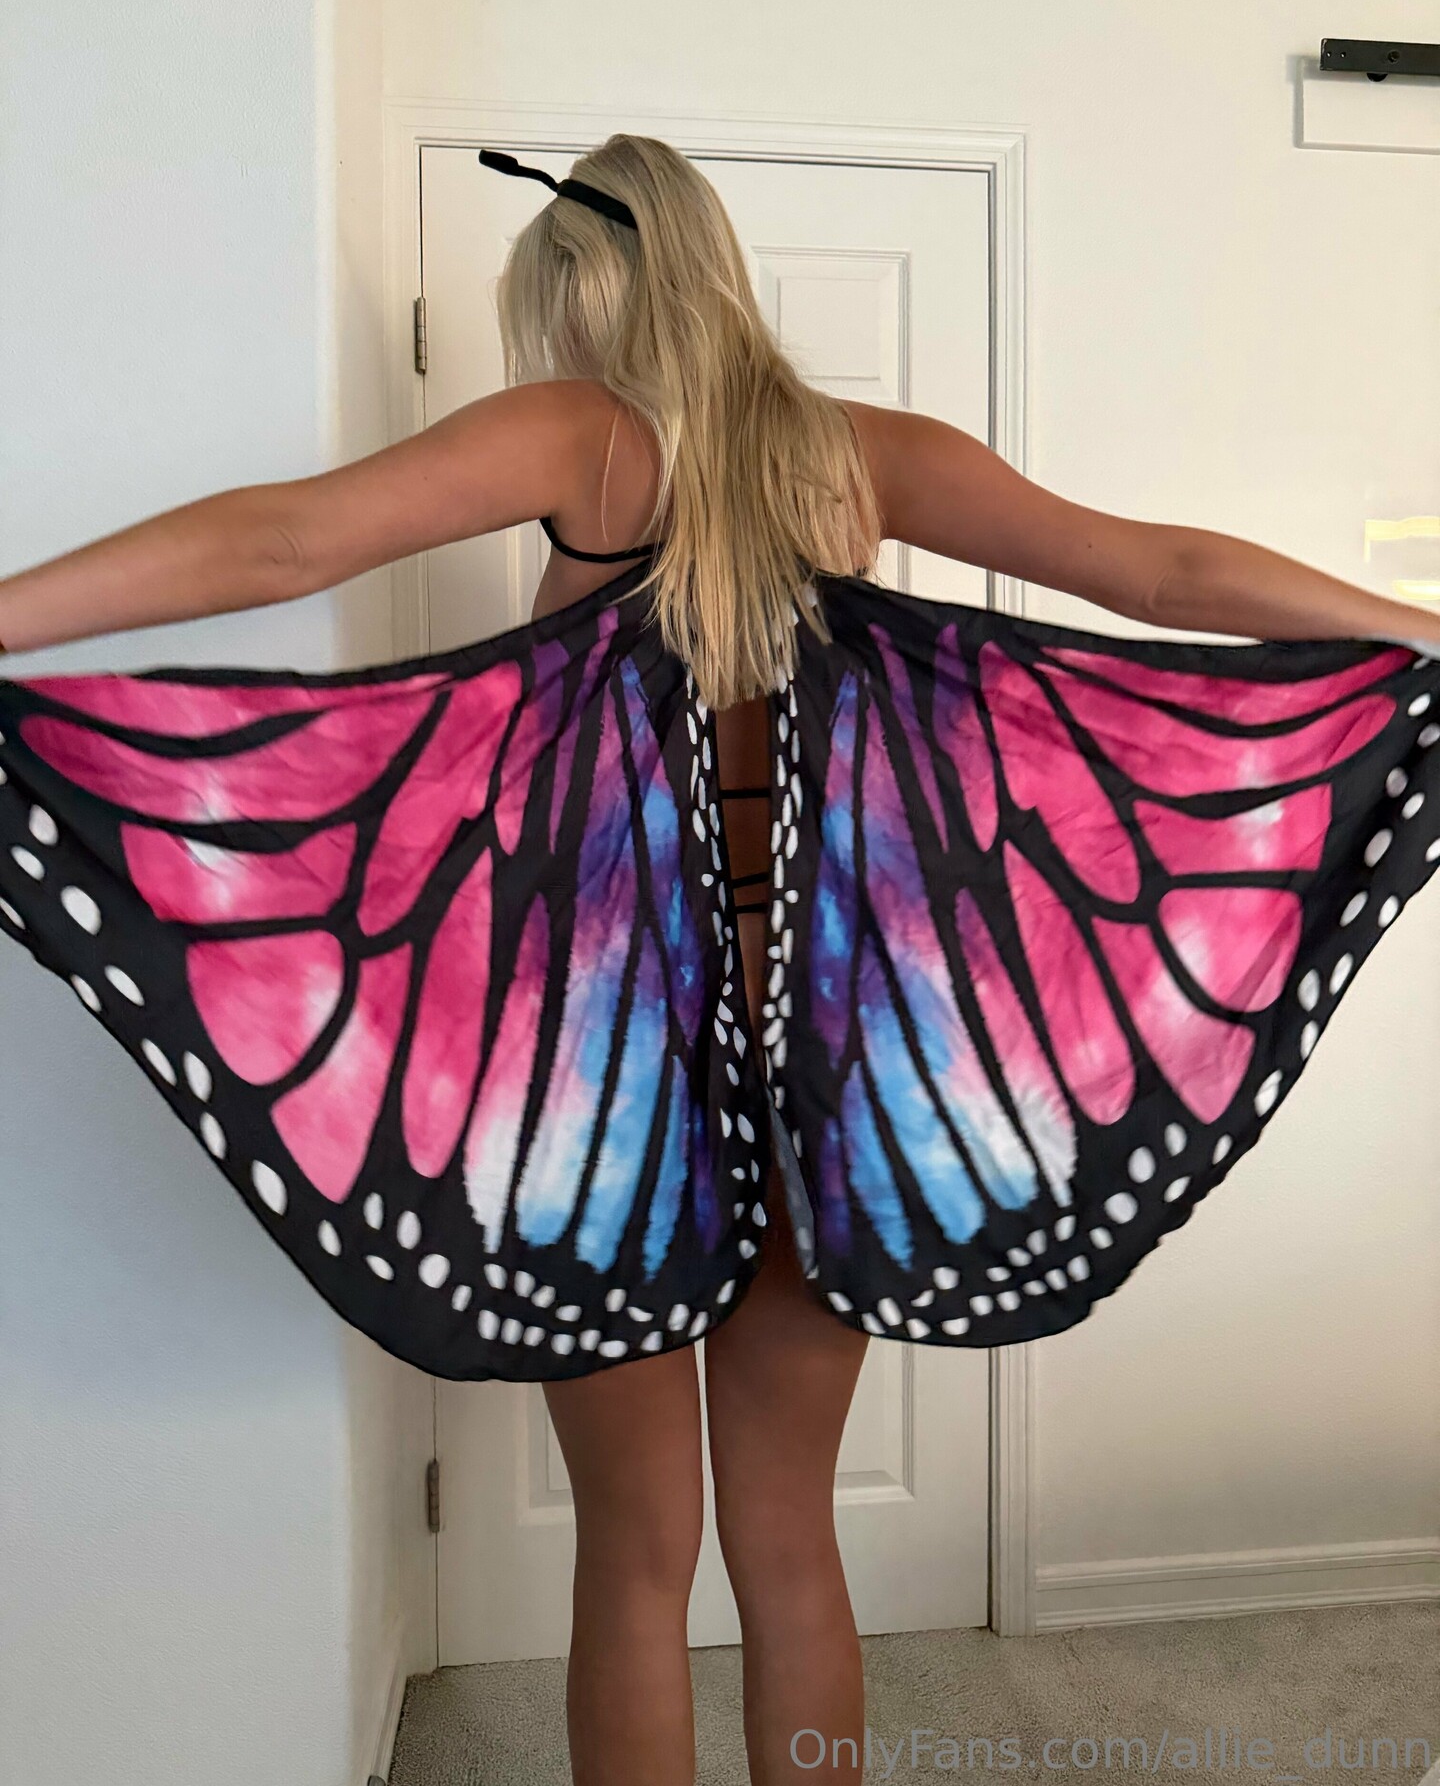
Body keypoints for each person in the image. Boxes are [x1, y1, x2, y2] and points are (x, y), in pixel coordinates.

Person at [1, 133, 1437, 1786]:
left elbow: (285, 544)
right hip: (838, 1065)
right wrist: (1428, 636)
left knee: (634, 1555)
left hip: (604, 1092)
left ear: (585, 296)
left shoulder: (582, 436)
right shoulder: (865, 457)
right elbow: (1165, 574)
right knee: (790, 1538)